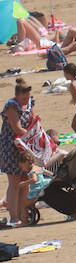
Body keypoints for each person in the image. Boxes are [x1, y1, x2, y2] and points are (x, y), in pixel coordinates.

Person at [0, 78, 34, 225]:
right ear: (17, 95)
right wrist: (32, 137)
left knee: (24, 180)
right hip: (10, 146)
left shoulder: (30, 101)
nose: (25, 101)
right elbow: (16, 128)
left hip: (24, 145)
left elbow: (33, 120)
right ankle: (14, 217)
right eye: (23, 98)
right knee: (14, 181)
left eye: (27, 97)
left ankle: (23, 215)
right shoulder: (11, 106)